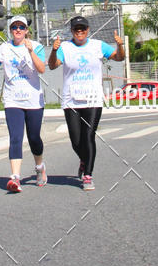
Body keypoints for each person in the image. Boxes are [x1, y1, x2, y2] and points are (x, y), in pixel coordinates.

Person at [48, 15, 125, 192]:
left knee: (88, 136)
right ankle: (84, 160)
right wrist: (53, 51)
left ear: (88, 30)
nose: (80, 32)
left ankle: (88, 175)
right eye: (76, 29)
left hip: (93, 99)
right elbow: (52, 65)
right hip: (71, 100)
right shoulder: (65, 47)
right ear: (72, 31)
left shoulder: (98, 45)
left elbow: (118, 58)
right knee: (76, 140)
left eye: (83, 29)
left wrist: (120, 46)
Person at [0, 15, 46, 193]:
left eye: (21, 27)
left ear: (26, 31)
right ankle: (15, 177)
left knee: (34, 139)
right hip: (12, 99)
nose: (17, 30)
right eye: (14, 27)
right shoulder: (4, 48)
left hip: (33, 100)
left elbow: (42, 69)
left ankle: (40, 167)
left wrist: (30, 52)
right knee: (15, 138)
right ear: (10, 30)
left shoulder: (36, 46)